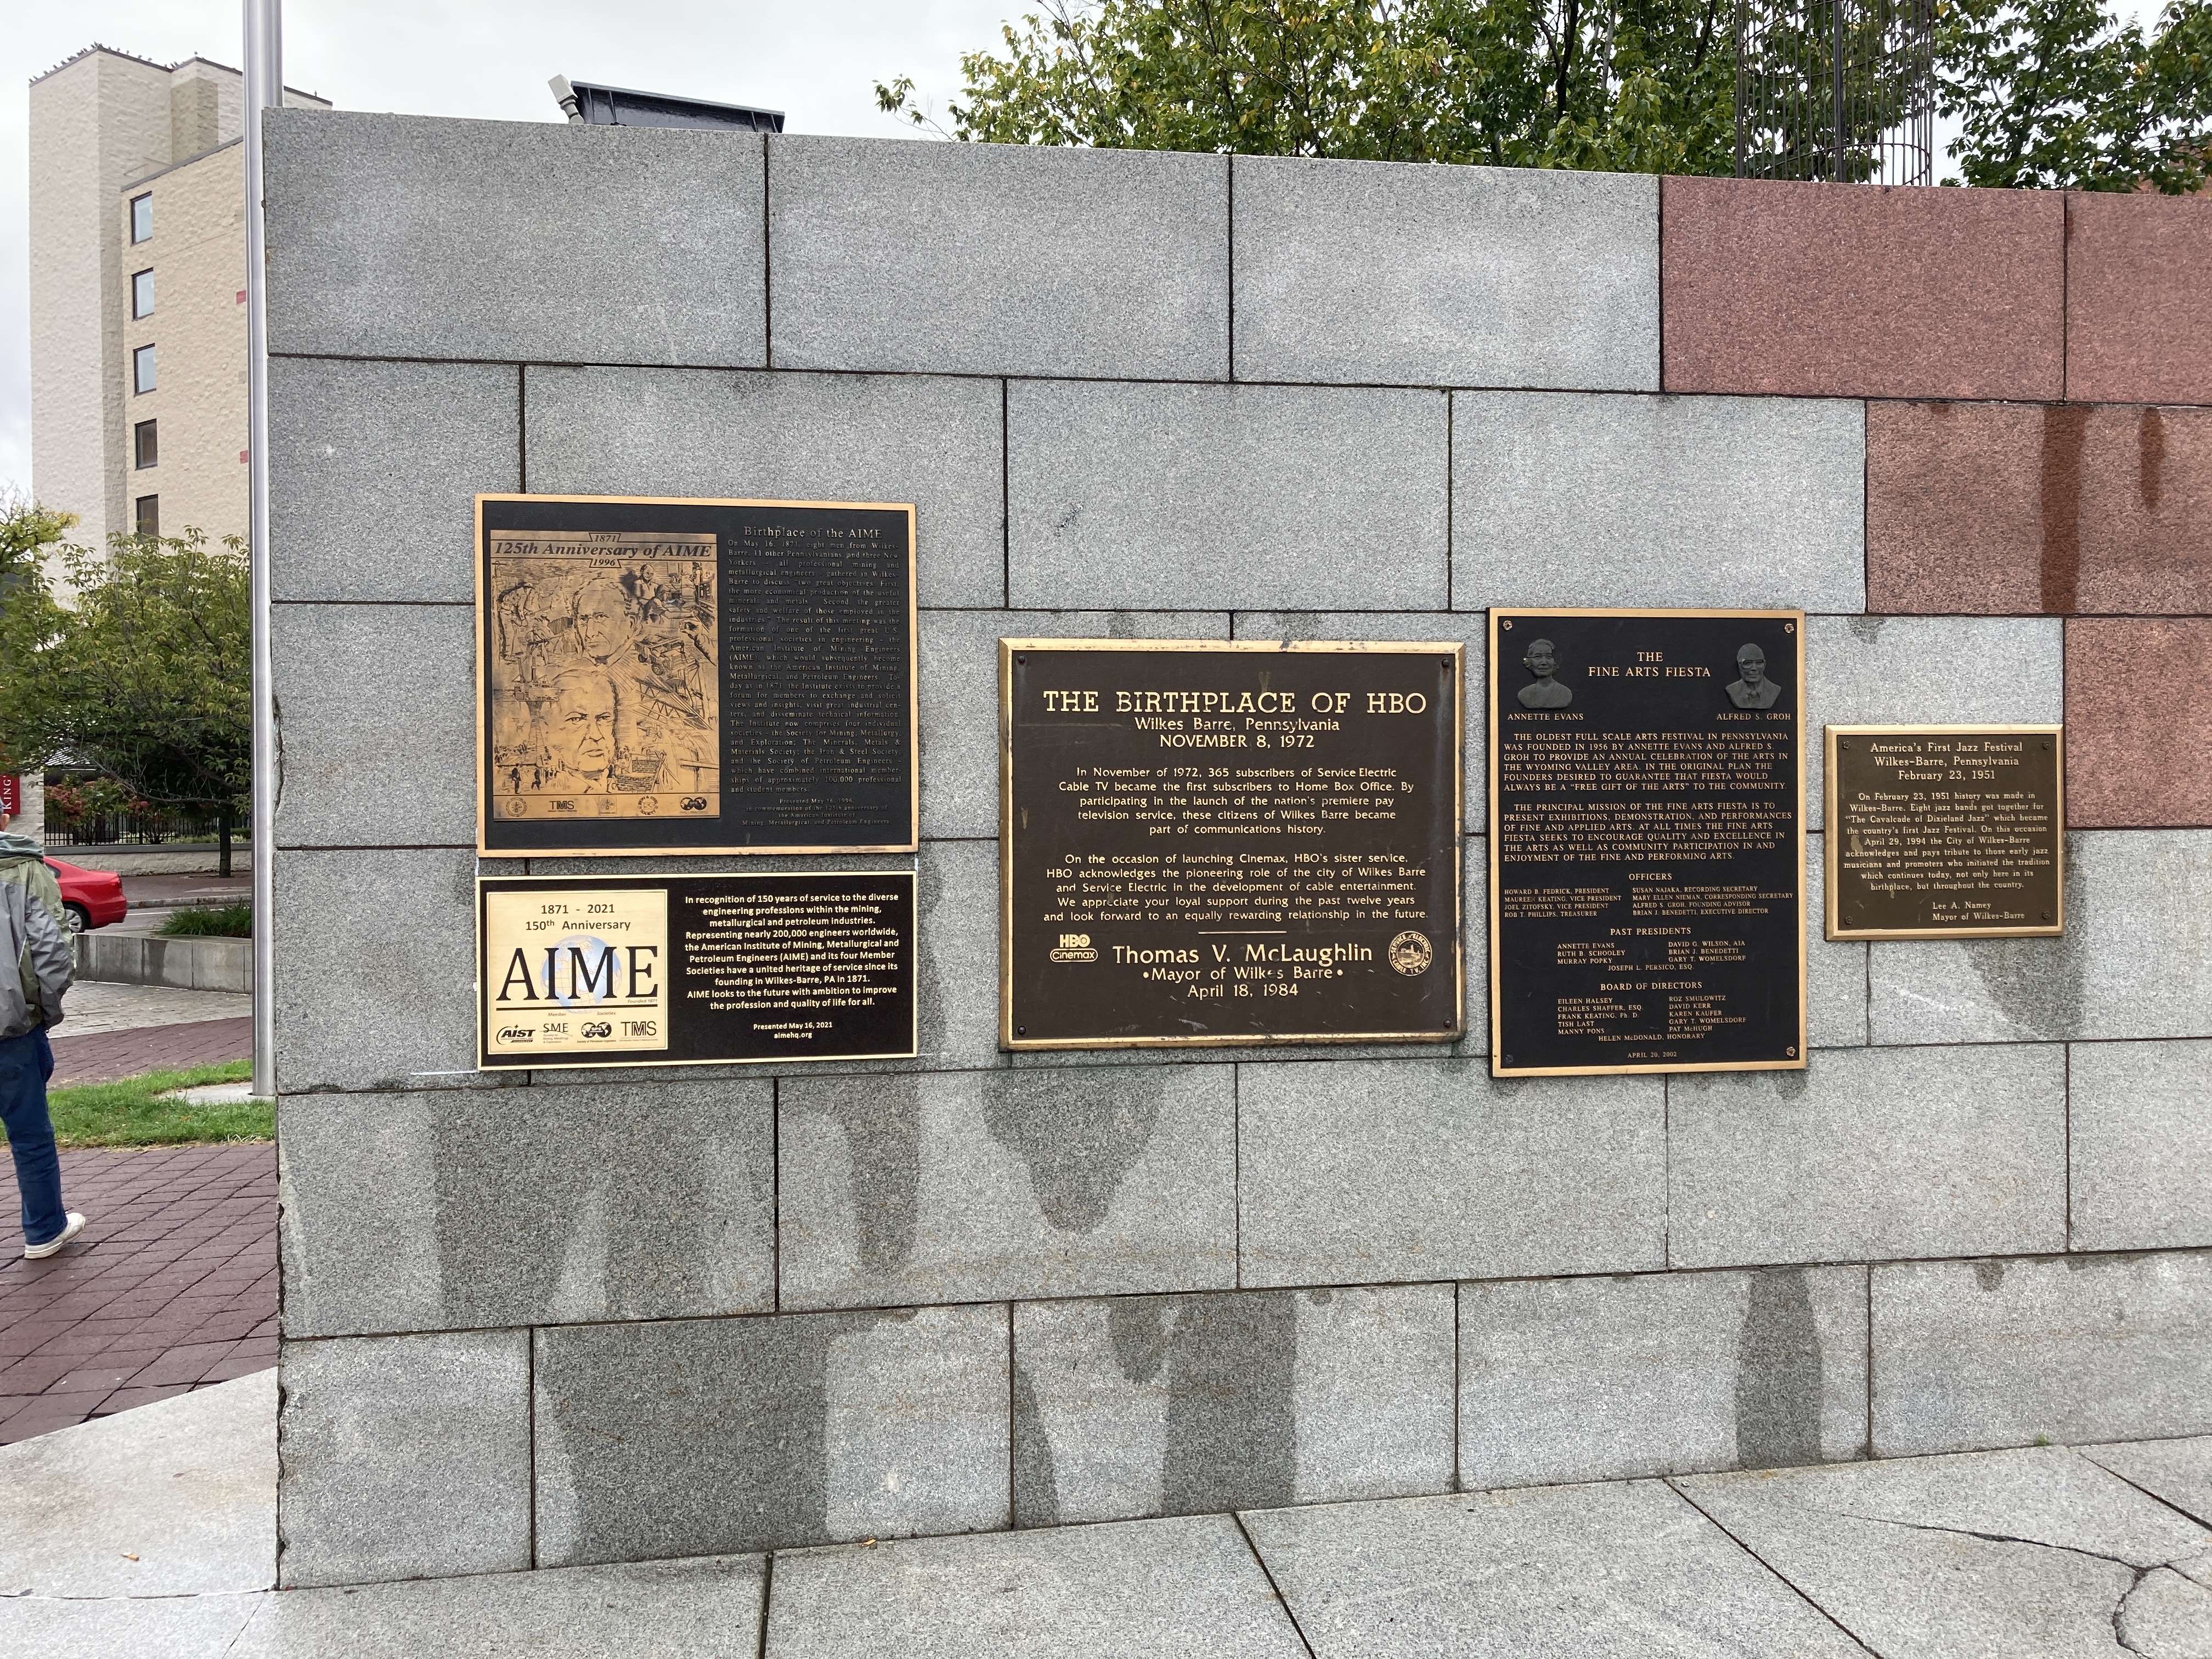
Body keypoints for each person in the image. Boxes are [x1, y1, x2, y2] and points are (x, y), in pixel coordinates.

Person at [0, 796, 84, 1260]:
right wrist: (43, 1011)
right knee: (30, 1135)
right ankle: (43, 1230)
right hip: (11, 1027)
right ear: (5, 816)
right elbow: (53, 953)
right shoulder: (26, 869)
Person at [1516, 637, 1573, 708]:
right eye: (1538, 657)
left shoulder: (1565, 694)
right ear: (1530, 662)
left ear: (1555, 662)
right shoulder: (1524, 694)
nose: (1544, 662)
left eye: (1549, 657)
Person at [1726, 643, 1782, 709]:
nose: (1754, 668)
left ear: (1765, 665)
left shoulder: (1774, 690)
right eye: (1748, 663)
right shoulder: (1732, 690)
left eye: (1759, 663)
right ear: (1739, 665)